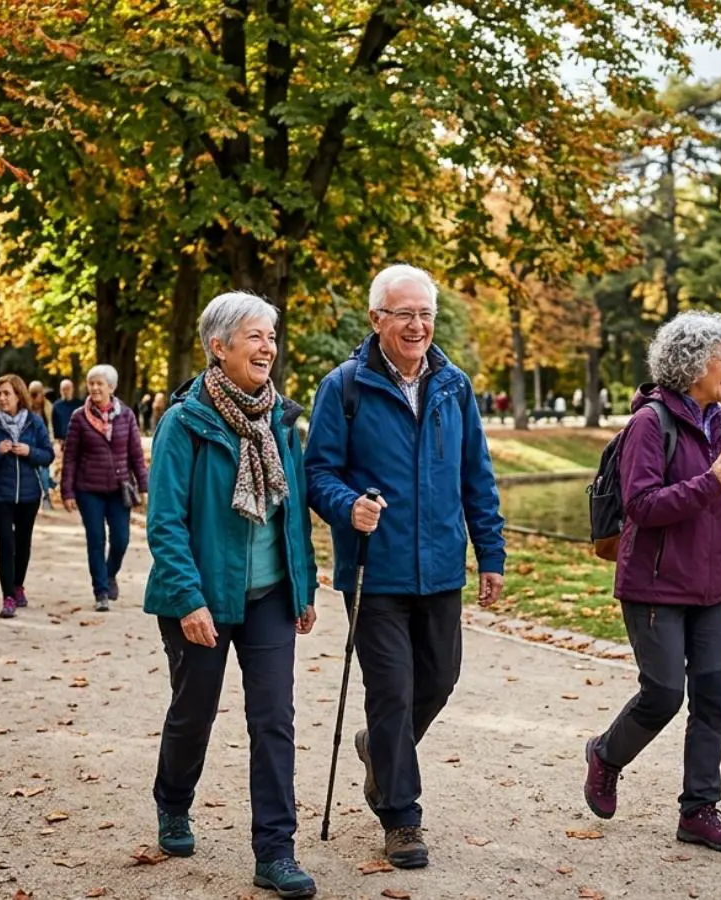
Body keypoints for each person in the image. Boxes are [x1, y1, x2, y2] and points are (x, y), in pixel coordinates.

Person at [305, 264, 505, 870]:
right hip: (376, 571)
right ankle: (401, 817)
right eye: (404, 314)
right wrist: (349, 505)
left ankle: (379, 750)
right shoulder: (344, 388)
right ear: (377, 319)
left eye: (425, 314)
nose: (417, 325)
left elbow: (477, 476)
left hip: (442, 567)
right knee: (390, 691)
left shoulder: (455, 387)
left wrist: (489, 554)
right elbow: (318, 473)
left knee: (439, 680)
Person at [582, 311, 721, 854]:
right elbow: (642, 506)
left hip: (712, 584)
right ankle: (605, 755)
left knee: (713, 699)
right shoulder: (649, 424)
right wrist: (708, 482)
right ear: (694, 364)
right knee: (665, 694)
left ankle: (699, 810)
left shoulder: (719, 419)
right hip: (655, 585)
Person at [143, 291, 319, 899]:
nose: (268, 346)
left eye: (271, 335)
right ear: (218, 348)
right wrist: (188, 598)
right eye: (254, 335)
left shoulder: (281, 422)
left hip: (271, 597)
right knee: (194, 713)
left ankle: (275, 851)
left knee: (274, 720)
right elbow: (164, 521)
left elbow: (291, 513)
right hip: (201, 599)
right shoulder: (184, 423)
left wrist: (306, 584)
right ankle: (173, 801)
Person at [61, 365, 147, 612]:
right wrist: (67, 491)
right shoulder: (79, 417)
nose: (95, 388)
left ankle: (109, 574)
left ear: (112, 387)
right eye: (91, 383)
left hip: (120, 489)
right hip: (89, 489)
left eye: (100, 383)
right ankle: (100, 591)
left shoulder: (127, 415)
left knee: (121, 539)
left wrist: (144, 485)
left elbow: (136, 454)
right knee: (96, 539)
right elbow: (71, 457)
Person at [0, 374, 54, 619]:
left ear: (19, 395)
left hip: (29, 494)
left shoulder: (35, 423)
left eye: (6, 393)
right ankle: (8, 597)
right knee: (6, 544)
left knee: (23, 544)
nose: (1, 398)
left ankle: (18, 586)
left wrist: (30, 451)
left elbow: (48, 455)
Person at [27, 381, 56, 509]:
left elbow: (51, 425)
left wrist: (51, 441)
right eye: (32, 395)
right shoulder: (26, 407)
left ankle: (46, 496)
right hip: (29, 443)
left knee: (44, 469)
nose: (35, 398)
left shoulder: (48, 407)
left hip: (44, 443)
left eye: (36, 394)